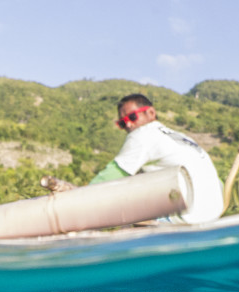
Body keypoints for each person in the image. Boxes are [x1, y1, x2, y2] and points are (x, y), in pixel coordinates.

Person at [90, 94, 223, 224]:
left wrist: (78, 196)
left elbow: (112, 176)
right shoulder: (185, 138)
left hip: (185, 220)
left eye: (132, 117)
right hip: (213, 217)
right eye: (122, 123)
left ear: (151, 113)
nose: (129, 125)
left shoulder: (143, 134)